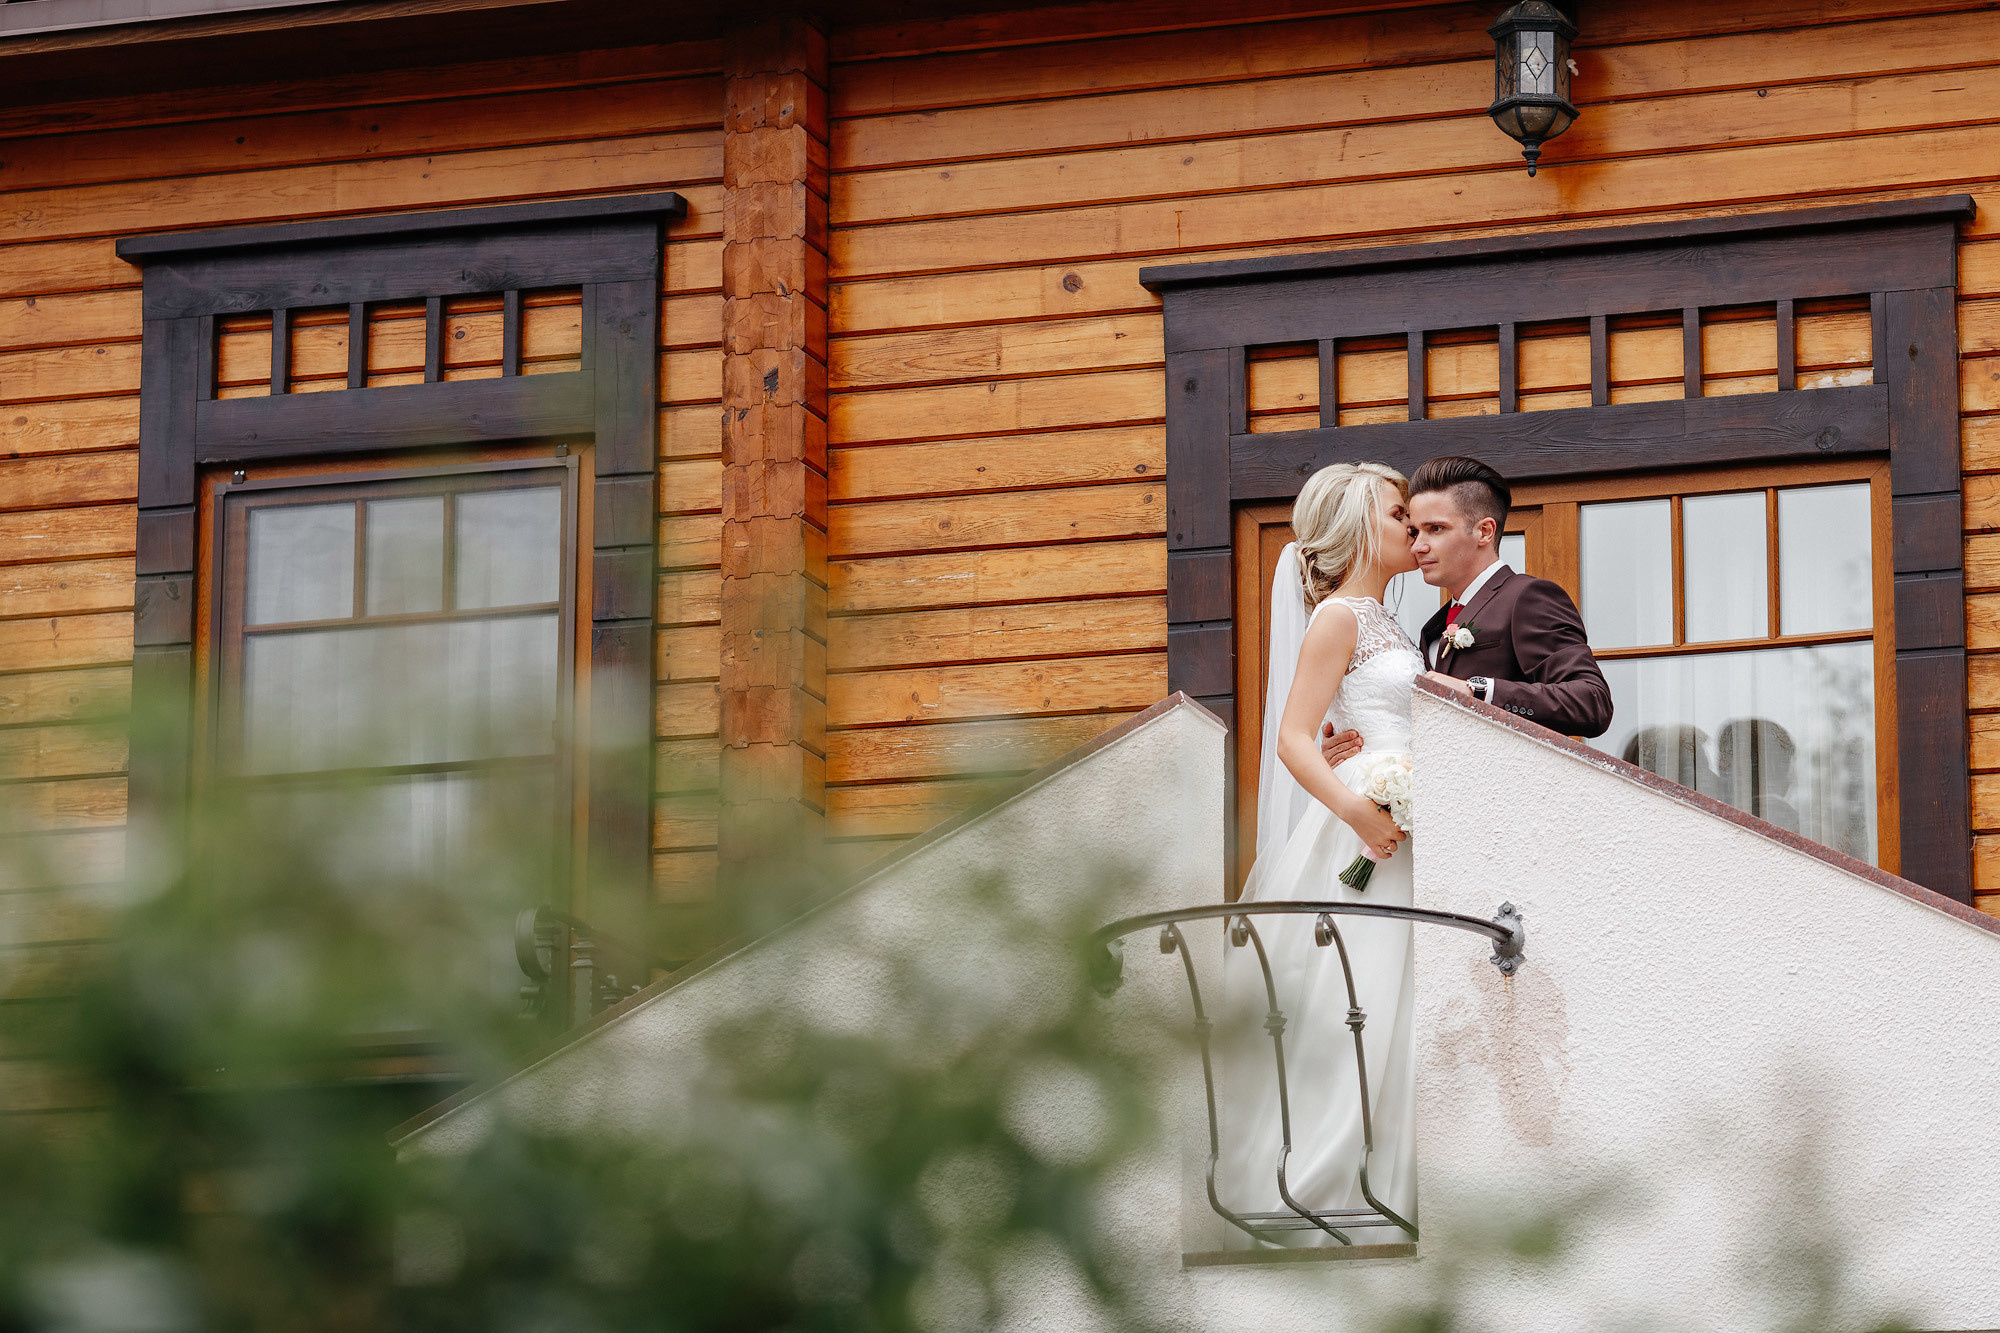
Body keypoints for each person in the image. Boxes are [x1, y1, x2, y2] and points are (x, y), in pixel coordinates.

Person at [1221, 461, 1423, 1244]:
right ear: (1360, 524)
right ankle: (1330, 1190)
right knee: (1355, 1009)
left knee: (1396, 1013)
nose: (1413, 525)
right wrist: (1360, 813)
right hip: (1369, 831)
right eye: (1399, 511)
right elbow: (1292, 739)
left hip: (1398, 822)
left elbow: (1347, 727)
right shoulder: (1339, 615)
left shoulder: (1389, 623)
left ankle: (1393, 1180)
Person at [1317, 454, 1610, 770]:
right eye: (1415, 531)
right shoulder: (1432, 628)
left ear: (1484, 532)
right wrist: (1362, 746)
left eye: (1436, 529)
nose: (1418, 546)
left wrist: (1478, 691)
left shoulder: (1528, 597)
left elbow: (1591, 703)